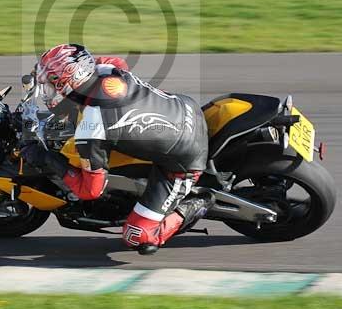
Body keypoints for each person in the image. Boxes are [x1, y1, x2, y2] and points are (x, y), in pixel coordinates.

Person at [21, 43, 213, 255]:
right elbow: (117, 62)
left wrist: (46, 159)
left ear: (69, 81)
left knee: (136, 234)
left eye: (50, 85)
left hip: (184, 160)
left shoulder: (92, 127)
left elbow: (90, 191)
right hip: (185, 106)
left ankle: (201, 202)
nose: (47, 93)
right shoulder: (105, 70)